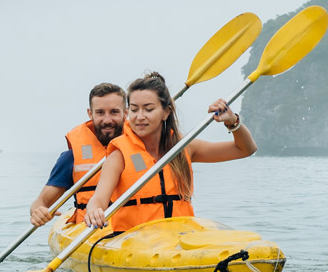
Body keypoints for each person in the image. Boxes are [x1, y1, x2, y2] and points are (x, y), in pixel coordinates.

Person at [83, 72, 256, 232]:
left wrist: (232, 121)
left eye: (148, 109)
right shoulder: (119, 155)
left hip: (180, 238)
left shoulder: (184, 148)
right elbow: (98, 199)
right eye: (134, 109)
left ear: (166, 112)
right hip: (135, 241)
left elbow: (245, 149)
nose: (140, 116)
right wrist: (94, 211)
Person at [29, 82, 126, 226]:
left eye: (114, 112)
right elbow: (41, 202)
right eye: (100, 112)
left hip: (135, 229)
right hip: (91, 232)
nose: (107, 120)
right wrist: (37, 211)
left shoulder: (143, 149)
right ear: (90, 113)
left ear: (126, 112)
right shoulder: (71, 157)